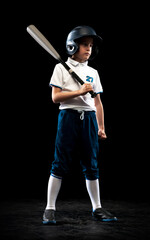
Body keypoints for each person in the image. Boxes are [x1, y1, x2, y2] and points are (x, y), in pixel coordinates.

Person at [43, 25, 117, 224]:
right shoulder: (60, 68)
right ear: (71, 46)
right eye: (84, 44)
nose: (88, 49)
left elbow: (98, 102)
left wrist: (101, 127)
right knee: (59, 164)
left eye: (91, 45)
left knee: (92, 165)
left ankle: (97, 208)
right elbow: (56, 97)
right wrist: (79, 92)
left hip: (89, 120)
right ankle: (50, 209)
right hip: (68, 118)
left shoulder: (93, 72)